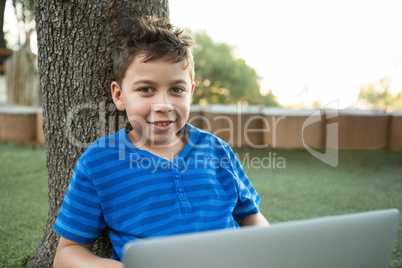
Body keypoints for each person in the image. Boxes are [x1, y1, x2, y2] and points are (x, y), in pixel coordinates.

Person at [53, 16, 269, 267]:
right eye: (146, 89)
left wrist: (263, 252)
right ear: (119, 96)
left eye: (177, 89)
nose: (164, 105)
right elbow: (66, 254)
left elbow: (251, 218)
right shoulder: (99, 162)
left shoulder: (217, 150)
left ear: (191, 92)